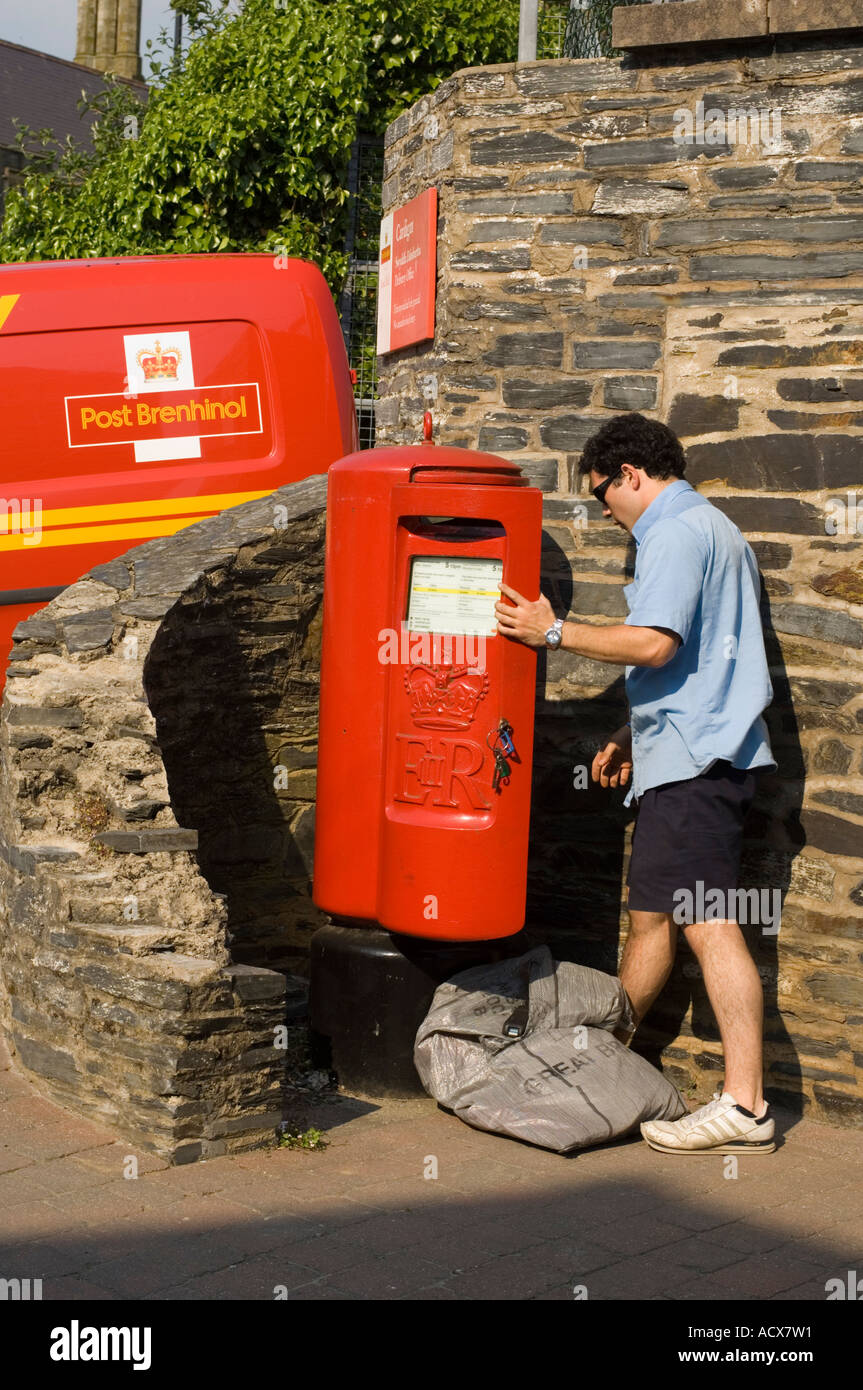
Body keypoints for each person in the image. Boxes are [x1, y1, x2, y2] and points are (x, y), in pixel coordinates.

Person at [493, 412, 778, 1156]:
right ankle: (605, 1059)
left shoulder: (676, 533)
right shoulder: (706, 528)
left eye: (601, 497)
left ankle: (744, 1105)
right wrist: (627, 735)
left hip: (698, 764)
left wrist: (550, 632)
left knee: (707, 922)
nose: (605, 513)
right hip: (684, 757)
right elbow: (694, 663)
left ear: (629, 474)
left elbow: (655, 643)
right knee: (651, 920)